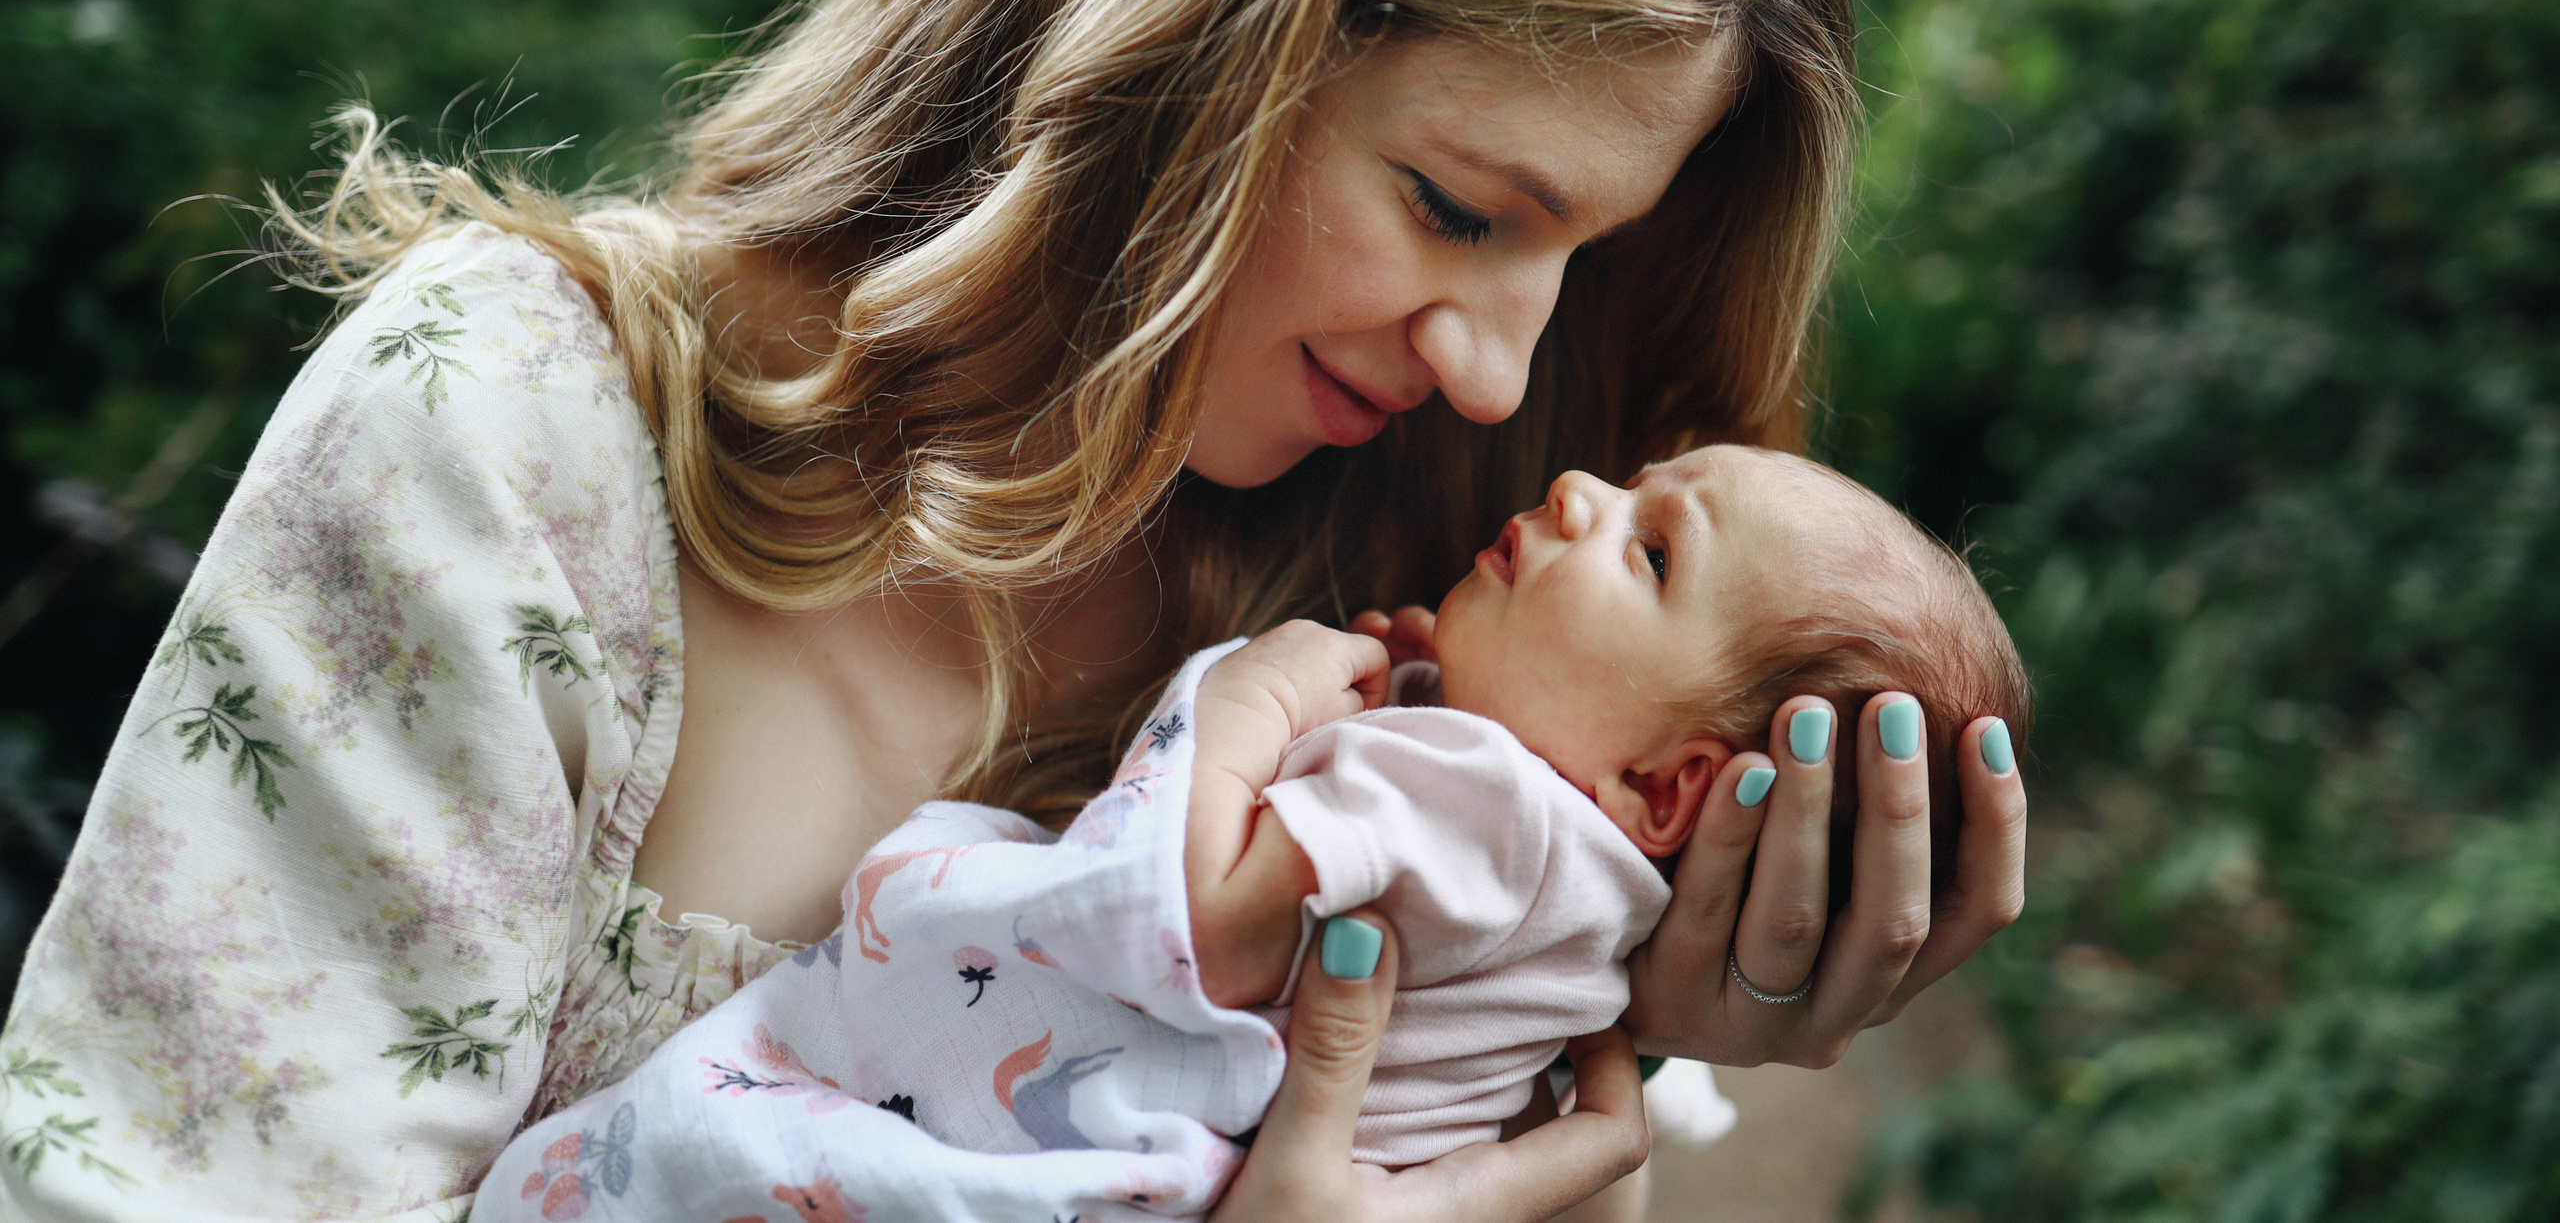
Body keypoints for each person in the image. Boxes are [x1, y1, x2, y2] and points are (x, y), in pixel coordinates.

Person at [0, 0, 2029, 1220]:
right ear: (1179, 23)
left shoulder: (1425, 657)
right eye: (1450, 201)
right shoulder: (517, 446)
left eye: (1574, 272)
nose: (1501, 380)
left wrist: (1599, 1006)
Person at [459, 445, 2030, 1221]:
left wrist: (1256, 702)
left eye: (1650, 545)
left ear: (1674, 794)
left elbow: (1202, 921)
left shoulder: (1477, 798)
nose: (1572, 487)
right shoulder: (1578, 917)